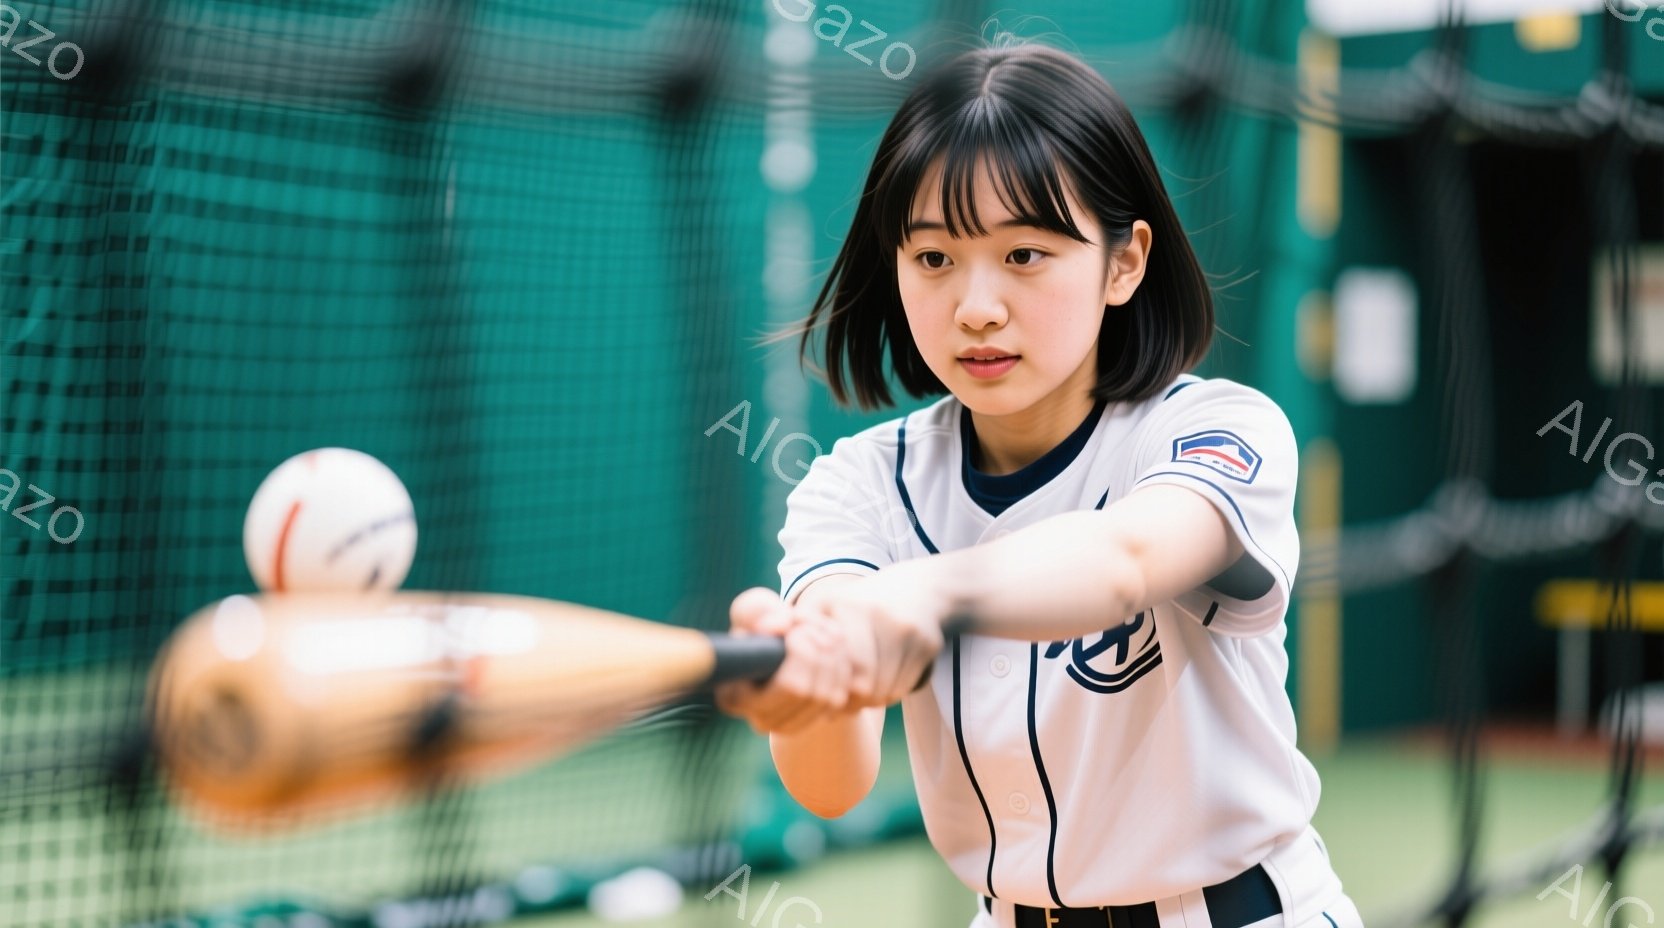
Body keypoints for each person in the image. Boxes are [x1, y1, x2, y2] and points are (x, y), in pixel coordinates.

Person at [715, 40, 1361, 928]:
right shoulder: (856, 486)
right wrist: (805, 694)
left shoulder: (1217, 429)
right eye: (934, 259)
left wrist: (918, 596)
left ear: (1125, 262)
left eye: (1024, 254)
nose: (976, 307)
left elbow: (1127, 560)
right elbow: (834, 784)